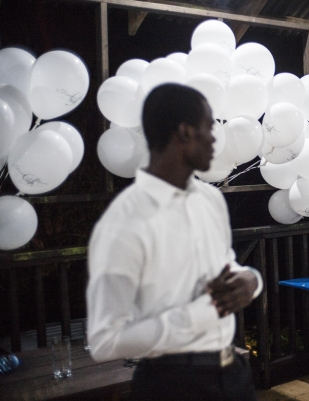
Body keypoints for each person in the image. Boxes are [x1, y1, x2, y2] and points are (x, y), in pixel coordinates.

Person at [86, 84, 263, 401]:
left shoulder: (211, 200)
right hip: (172, 385)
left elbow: (225, 265)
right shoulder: (124, 221)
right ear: (184, 132)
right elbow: (103, 341)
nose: (215, 139)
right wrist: (200, 314)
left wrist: (251, 279)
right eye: (210, 127)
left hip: (234, 375)